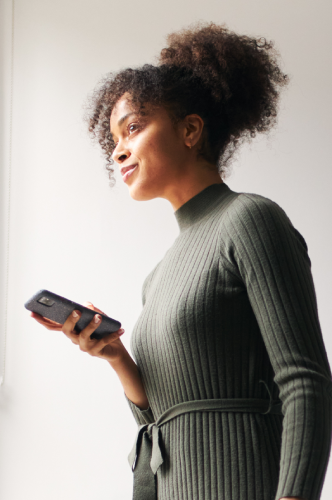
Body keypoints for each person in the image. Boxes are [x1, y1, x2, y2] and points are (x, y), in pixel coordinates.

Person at [30, 22, 332, 500]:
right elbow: (164, 419)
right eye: (113, 140)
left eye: (132, 127)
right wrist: (117, 359)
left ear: (190, 130)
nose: (119, 149)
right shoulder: (158, 276)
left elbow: (305, 381)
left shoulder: (250, 219)